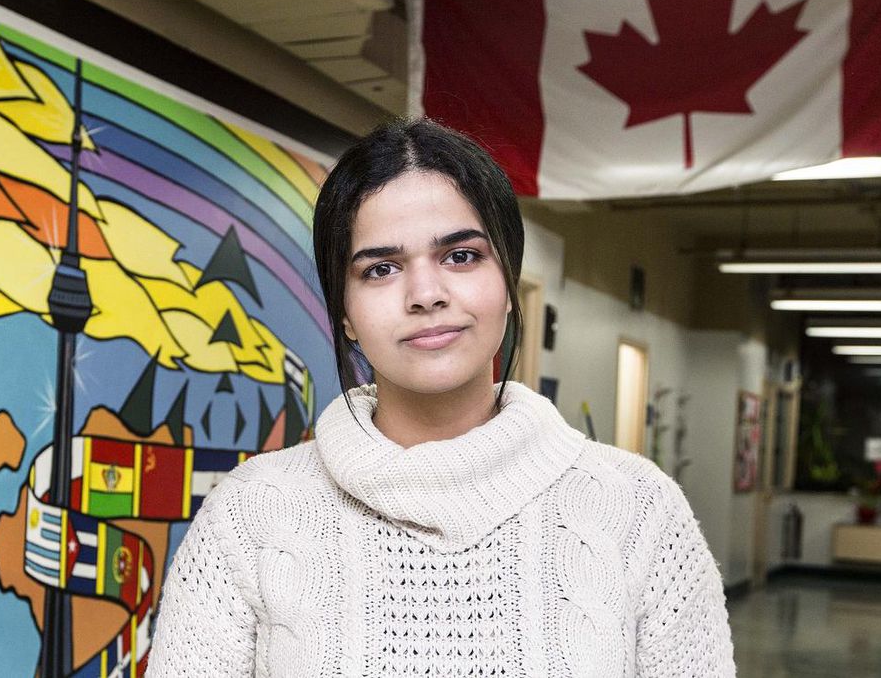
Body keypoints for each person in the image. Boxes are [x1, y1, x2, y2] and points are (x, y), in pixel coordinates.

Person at [147, 118, 735, 676]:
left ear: (508, 283)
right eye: (381, 268)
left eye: (461, 256)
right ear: (344, 313)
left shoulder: (638, 510)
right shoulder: (250, 515)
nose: (426, 293)